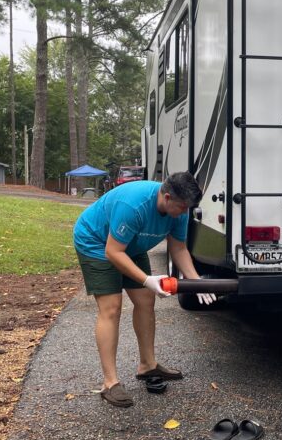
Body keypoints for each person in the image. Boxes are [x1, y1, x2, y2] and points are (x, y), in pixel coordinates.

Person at [72, 171, 216, 408]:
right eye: (181, 207)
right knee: (112, 307)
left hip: (131, 245)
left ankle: (147, 366)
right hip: (97, 243)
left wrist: (196, 280)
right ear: (167, 197)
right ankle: (110, 382)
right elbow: (113, 252)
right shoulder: (134, 205)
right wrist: (147, 279)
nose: (184, 213)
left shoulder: (180, 209)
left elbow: (178, 248)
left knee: (146, 300)